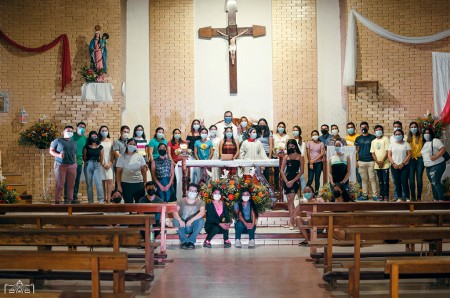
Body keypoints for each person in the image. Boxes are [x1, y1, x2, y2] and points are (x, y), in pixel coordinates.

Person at [49, 125, 77, 204]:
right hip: (61, 165)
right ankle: (57, 201)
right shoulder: (58, 140)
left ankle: (69, 201)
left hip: (72, 165)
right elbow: (51, 151)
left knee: (71, 185)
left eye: (71, 131)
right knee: (60, 184)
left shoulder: (74, 143)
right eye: (68, 131)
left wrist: (75, 164)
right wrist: (58, 155)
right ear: (63, 132)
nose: (70, 132)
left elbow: (74, 154)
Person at [172, 183, 206, 249]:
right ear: (187, 191)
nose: (192, 192)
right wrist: (180, 220)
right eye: (190, 190)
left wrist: (191, 220)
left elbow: (202, 212)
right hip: (182, 225)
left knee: (201, 221)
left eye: (194, 191)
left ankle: (191, 241)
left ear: (197, 193)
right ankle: (184, 241)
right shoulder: (181, 201)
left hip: (193, 225)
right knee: (175, 221)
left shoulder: (200, 202)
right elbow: (174, 211)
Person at [280, 139, 304, 230]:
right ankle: (292, 221)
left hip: (295, 179)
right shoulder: (286, 157)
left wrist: (292, 181)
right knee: (289, 200)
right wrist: (286, 181)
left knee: (292, 199)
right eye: (289, 146)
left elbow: (301, 171)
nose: (290, 147)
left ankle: (292, 222)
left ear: (295, 146)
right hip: (287, 178)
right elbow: (282, 170)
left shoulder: (300, 156)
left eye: (292, 146)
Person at [116, 138, 147, 203]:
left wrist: (145, 182)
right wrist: (119, 185)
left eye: (134, 144)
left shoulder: (139, 156)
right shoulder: (121, 157)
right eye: (130, 144)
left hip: (138, 183)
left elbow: (144, 170)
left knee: (139, 204)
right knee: (128, 204)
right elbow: (118, 172)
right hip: (126, 184)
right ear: (127, 145)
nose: (132, 145)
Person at [421, 128, 447, 201]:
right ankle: (435, 200)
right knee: (433, 183)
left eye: (428, 133)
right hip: (428, 166)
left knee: (436, 181)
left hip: (437, 164)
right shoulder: (425, 143)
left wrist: (435, 157)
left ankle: (441, 201)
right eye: (425, 133)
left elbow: (443, 149)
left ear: (431, 134)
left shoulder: (435, 140)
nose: (426, 134)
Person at [355, 122, 377, 200]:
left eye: (365, 127)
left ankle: (375, 195)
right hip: (361, 161)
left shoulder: (373, 137)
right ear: (360, 128)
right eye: (362, 127)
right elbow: (356, 151)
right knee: (363, 179)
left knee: (372, 178)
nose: (363, 128)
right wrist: (356, 161)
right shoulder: (358, 138)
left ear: (368, 127)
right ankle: (365, 195)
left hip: (371, 161)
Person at [65, 121, 87, 203]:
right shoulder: (72, 136)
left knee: (76, 181)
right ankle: (67, 198)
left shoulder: (85, 139)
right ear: (77, 128)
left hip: (79, 162)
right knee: (68, 181)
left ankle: (74, 197)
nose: (82, 128)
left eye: (83, 127)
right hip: (70, 162)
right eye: (80, 126)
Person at [388, 129, 412, 202]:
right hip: (394, 166)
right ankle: (399, 197)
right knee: (397, 182)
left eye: (399, 134)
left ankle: (407, 197)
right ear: (394, 136)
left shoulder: (406, 144)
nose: (398, 136)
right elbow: (389, 155)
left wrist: (403, 163)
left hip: (404, 166)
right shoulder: (392, 144)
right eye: (396, 134)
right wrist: (393, 164)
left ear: (402, 135)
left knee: (404, 182)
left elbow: (409, 154)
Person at [83, 131, 105, 203]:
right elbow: (84, 157)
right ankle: (91, 201)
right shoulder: (86, 146)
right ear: (90, 137)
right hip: (88, 164)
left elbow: (101, 157)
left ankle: (101, 200)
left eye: (95, 136)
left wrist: (100, 164)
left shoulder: (100, 147)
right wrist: (87, 163)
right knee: (89, 183)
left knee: (98, 183)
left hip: (97, 164)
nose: (94, 137)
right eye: (92, 136)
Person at [370, 125, 390, 201]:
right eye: (377, 130)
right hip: (377, 165)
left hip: (385, 164)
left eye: (380, 129)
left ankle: (386, 195)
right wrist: (377, 162)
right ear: (375, 132)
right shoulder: (373, 141)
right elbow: (373, 153)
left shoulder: (386, 139)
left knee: (385, 181)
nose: (378, 131)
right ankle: (381, 195)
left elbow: (387, 151)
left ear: (382, 131)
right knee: (380, 181)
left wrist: (382, 161)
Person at [407, 122, 424, 201]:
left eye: (415, 127)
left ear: (417, 128)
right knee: (411, 179)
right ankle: (413, 196)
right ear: (410, 128)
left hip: (420, 159)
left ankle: (419, 196)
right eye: (412, 127)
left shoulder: (421, 136)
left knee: (419, 178)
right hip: (411, 159)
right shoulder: (407, 138)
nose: (413, 128)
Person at [99, 125, 114, 203]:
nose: (104, 132)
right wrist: (101, 163)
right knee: (102, 181)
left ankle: (109, 198)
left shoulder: (111, 141)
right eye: (102, 131)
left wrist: (110, 163)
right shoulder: (98, 141)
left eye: (105, 130)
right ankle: (104, 199)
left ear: (108, 132)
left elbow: (112, 153)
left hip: (109, 163)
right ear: (100, 132)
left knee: (110, 180)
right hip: (100, 164)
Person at [168, 128, 184, 198]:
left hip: (182, 164)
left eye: (178, 133)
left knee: (182, 179)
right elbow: (169, 154)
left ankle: (182, 195)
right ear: (173, 134)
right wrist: (173, 163)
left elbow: (185, 153)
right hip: (173, 164)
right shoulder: (170, 143)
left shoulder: (183, 142)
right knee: (174, 179)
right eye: (175, 133)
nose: (177, 134)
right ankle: (174, 196)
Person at [272, 122, 289, 191]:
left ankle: (284, 187)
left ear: (284, 128)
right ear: (277, 127)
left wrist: (284, 153)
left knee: (283, 172)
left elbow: (288, 147)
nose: (281, 128)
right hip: (275, 156)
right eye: (280, 126)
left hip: (284, 157)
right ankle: (276, 188)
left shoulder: (287, 136)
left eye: (282, 126)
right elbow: (272, 146)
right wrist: (276, 153)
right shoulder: (274, 135)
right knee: (276, 172)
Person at [345, 122, 362, 187]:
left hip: (357, 161)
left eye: (351, 127)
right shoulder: (345, 139)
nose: (350, 129)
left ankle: (360, 194)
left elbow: (360, 150)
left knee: (359, 178)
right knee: (348, 178)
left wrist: (357, 161)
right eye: (348, 128)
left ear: (354, 128)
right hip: (348, 162)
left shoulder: (359, 137)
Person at [256, 118, 273, 183]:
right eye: (260, 124)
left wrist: (269, 157)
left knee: (266, 172)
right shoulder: (256, 132)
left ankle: (266, 189)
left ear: (266, 124)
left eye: (263, 124)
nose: (262, 125)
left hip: (266, 153)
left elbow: (271, 144)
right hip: (258, 154)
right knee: (258, 171)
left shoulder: (269, 132)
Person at [186, 119, 202, 184]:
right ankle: (191, 186)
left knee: (199, 172)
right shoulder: (190, 133)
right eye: (194, 124)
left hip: (199, 155)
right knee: (192, 172)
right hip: (191, 155)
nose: (196, 125)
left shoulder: (201, 133)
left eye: (197, 124)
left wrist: (203, 126)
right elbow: (186, 145)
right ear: (192, 125)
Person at [293, 125, 307, 189]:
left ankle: (304, 192)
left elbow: (302, 152)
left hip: (299, 161)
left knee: (301, 177)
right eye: (294, 130)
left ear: (299, 132)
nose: (295, 131)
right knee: (293, 177)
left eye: (296, 130)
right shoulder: (291, 141)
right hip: (292, 161)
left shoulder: (302, 141)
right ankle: (294, 193)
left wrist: (297, 158)